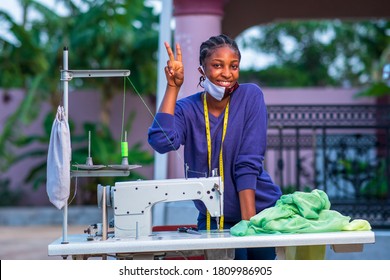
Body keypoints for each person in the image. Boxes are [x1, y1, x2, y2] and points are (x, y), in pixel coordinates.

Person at [148, 34, 282, 260]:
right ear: (202, 70)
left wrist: (249, 230)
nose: (227, 74)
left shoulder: (250, 96)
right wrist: (173, 88)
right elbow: (161, 142)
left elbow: (247, 163)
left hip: (259, 215)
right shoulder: (187, 109)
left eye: (234, 66)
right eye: (217, 66)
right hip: (211, 219)